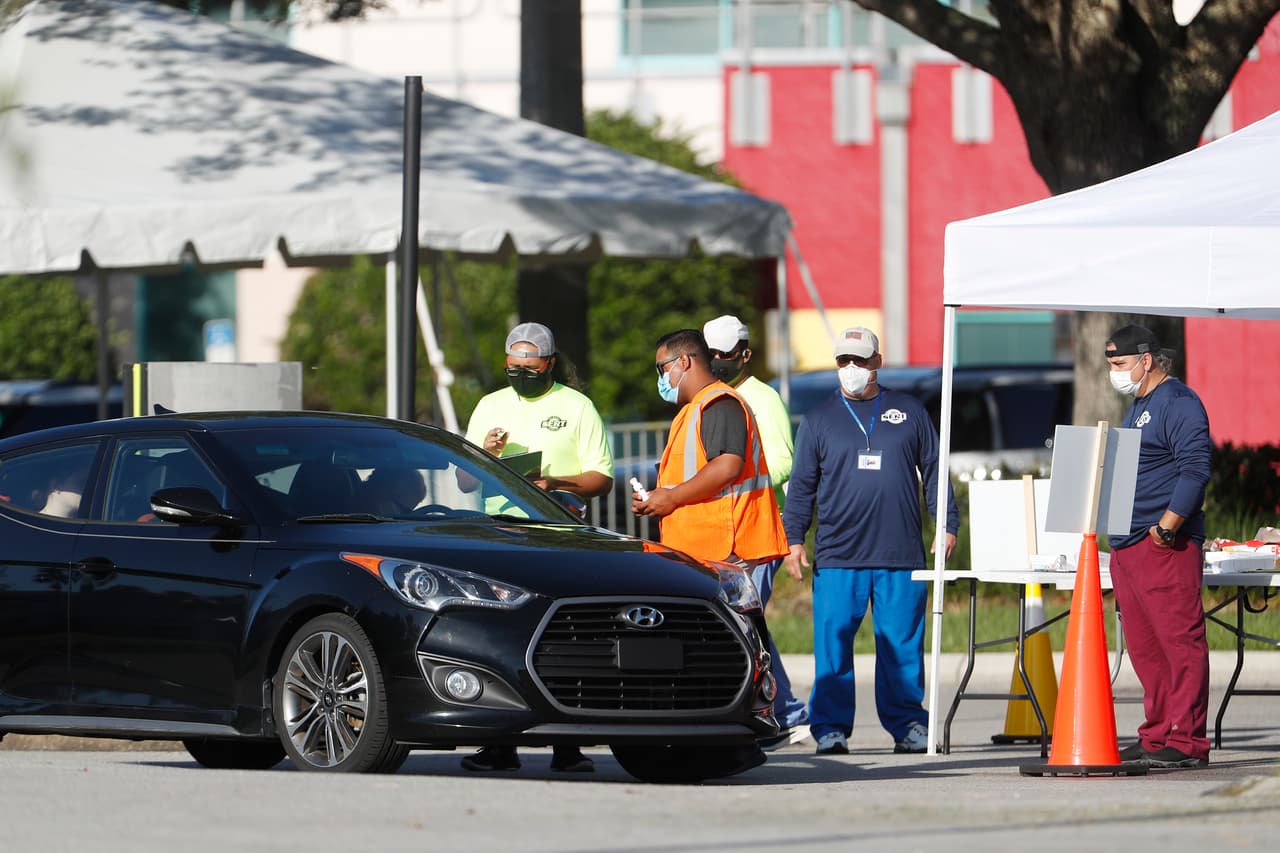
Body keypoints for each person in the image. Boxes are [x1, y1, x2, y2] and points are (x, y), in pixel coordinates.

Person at [782, 326, 958, 756]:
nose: (851, 367)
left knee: (901, 647)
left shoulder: (909, 411)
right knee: (833, 647)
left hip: (900, 554)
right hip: (838, 555)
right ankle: (830, 728)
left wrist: (946, 522)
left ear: (877, 361)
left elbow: (935, 469)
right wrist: (793, 538)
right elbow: (802, 485)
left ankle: (908, 724)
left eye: (860, 360)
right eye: (844, 360)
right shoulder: (819, 418)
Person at [460, 321, 614, 774]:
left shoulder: (577, 406)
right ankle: (499, 743)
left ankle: (568, 746)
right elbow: (465, 480)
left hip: (559, 531)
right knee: (498, 633)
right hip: (499, 533)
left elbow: (601, 478)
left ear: (549, 363)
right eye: (513, 368)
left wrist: (552, 483)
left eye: (530, 368)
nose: (521, 375)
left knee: (567, 634)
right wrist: (484, 453)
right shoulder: (490, 406)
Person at [1105, 324, 1212, 770]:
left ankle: (1186, 741)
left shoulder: (1178, 402)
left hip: (1163, 544)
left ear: (1146, 360)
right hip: (1128, 545)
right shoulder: (1139, 404)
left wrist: (1167, 528)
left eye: (1120, 364)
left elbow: (1195, 469)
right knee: (1147, 650)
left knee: (1178, 643)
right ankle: (1158, 734)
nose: (1114, 372)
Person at [703, 313, 808, 749]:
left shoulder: (762, 399)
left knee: (743, 624)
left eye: (725, 354)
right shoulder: (713, 397)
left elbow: (784, 461)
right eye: (711, 353)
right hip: (724, 530)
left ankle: (781, 712)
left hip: (757, 530)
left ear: (744, 355)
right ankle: (786, 711)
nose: (718, 360)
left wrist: (728, 474)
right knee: (744, 624)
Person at [633, 328, 788, 570]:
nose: (661, 379)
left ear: (684, 361)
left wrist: (671, 497)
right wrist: (657, 497)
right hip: (703, 546)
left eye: (662, 368)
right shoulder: (694, 408)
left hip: (725, 548)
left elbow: (727, 466)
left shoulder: (719, 403)